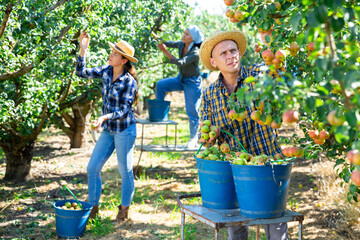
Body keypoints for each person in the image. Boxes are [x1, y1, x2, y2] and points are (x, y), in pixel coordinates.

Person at [199, 30, 288, 240]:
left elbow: (278, 68)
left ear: (239, 53)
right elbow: (205, 130)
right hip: (235, 167)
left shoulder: (258, 74)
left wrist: (272, 43)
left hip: (268, 163)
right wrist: (210, 137)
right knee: (237, 229)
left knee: (275, 226)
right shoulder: (210, 94)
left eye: (233, 50)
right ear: (214, 61)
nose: (230, 56)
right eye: (223, 53)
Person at [75, 32, 138, 223]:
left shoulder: (129, 82)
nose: (110, 55)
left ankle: (124, 209)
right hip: (109, 129)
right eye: (111, 52)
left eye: (114, 54)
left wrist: (104, 117)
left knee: (124, 170)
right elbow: (81, 72)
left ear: (124, 60)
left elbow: (125, 110)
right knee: (92, 168)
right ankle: (93, 209)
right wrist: (83, 51)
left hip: (125, 131)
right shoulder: (107, 71)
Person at [153, 25, 204, 149]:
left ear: (193, 39)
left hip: (192, 82)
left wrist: (165, 51)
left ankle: (193, 138)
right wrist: (157, 38)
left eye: (187, 34)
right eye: (184, 33)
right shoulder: (181, 44)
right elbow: (168, 43)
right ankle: (160, 115)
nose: (184, 35)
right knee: (160, 85)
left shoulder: (196, 52)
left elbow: (181, 62)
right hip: (181, 79)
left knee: (192, 111)